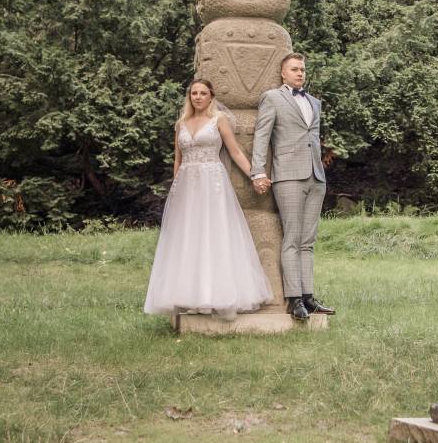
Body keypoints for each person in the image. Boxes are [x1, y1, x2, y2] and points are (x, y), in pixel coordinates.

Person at [143, 79, 273, 321]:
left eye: (203, 93)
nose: (198, 97)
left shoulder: (218, 120)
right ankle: (190, 296)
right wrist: (176, 187)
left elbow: (235, 152)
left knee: (213, 234)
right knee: (188, 236)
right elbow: (177, 159)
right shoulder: (181, 123)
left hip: (212, 183)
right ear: (189, 96)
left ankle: (214, 295)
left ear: (211, 96)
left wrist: (256, 175)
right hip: (187, 185)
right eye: (194, 93)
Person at [251, 53, 337, 322]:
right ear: (283, 73)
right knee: (292, 238)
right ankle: (294, 299)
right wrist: (258, 172)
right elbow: (262, 136)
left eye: (302, 69)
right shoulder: (272, 98)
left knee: (308, 241)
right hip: (288, 175)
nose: (300, 73)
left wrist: (320, 170)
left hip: (316, 176)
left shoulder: (314, 102)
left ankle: (309, 297)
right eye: (294, 69)